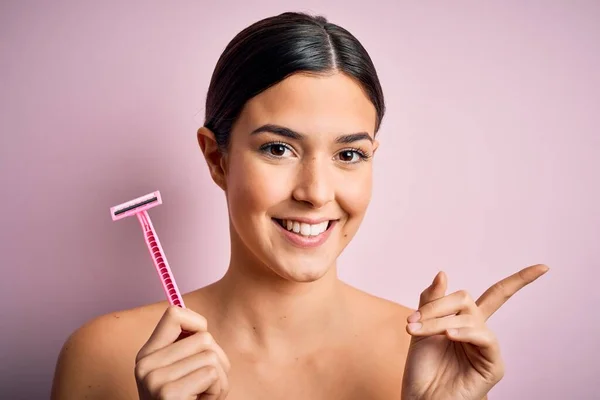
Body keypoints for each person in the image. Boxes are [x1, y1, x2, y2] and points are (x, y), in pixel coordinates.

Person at [50, 11, 548, 400]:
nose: (316, 191)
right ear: (216, 158)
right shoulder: (105, 357)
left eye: (349, 154)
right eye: (278, 148)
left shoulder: (431, 359)